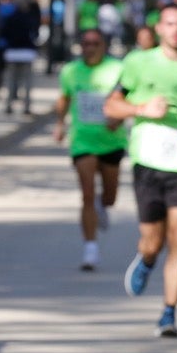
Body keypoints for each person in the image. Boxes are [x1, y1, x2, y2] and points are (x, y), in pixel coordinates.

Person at [105, 2, 177, 337]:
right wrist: (141, 108)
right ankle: (147, 259)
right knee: (152, 241)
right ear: (159, 29)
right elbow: (111, 105)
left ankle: (169, 312)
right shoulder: (137, 63)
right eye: (170, 24)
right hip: (148, 164)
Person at [55, 27, 128, 272]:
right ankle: (90, 248)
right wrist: (59, 124)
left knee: (110, 197)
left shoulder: (118, 69)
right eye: (85, 43)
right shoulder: (70, 71)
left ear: (103, 46)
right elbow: (64, 98)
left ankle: (102, 204)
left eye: (95, 43)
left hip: (111, 141)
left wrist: (118, 118)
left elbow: (129, 99)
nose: (89, 48)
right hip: (82, 141)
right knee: (86, 193)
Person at [0, 0, 40, 115]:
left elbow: (4, 33)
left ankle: (8, 104)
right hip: (27, 52)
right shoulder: (30, 19)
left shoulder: (10, 18)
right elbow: (35, 34)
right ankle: (26, 106)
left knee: (11, 80)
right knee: (27, 81)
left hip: (12, 52)